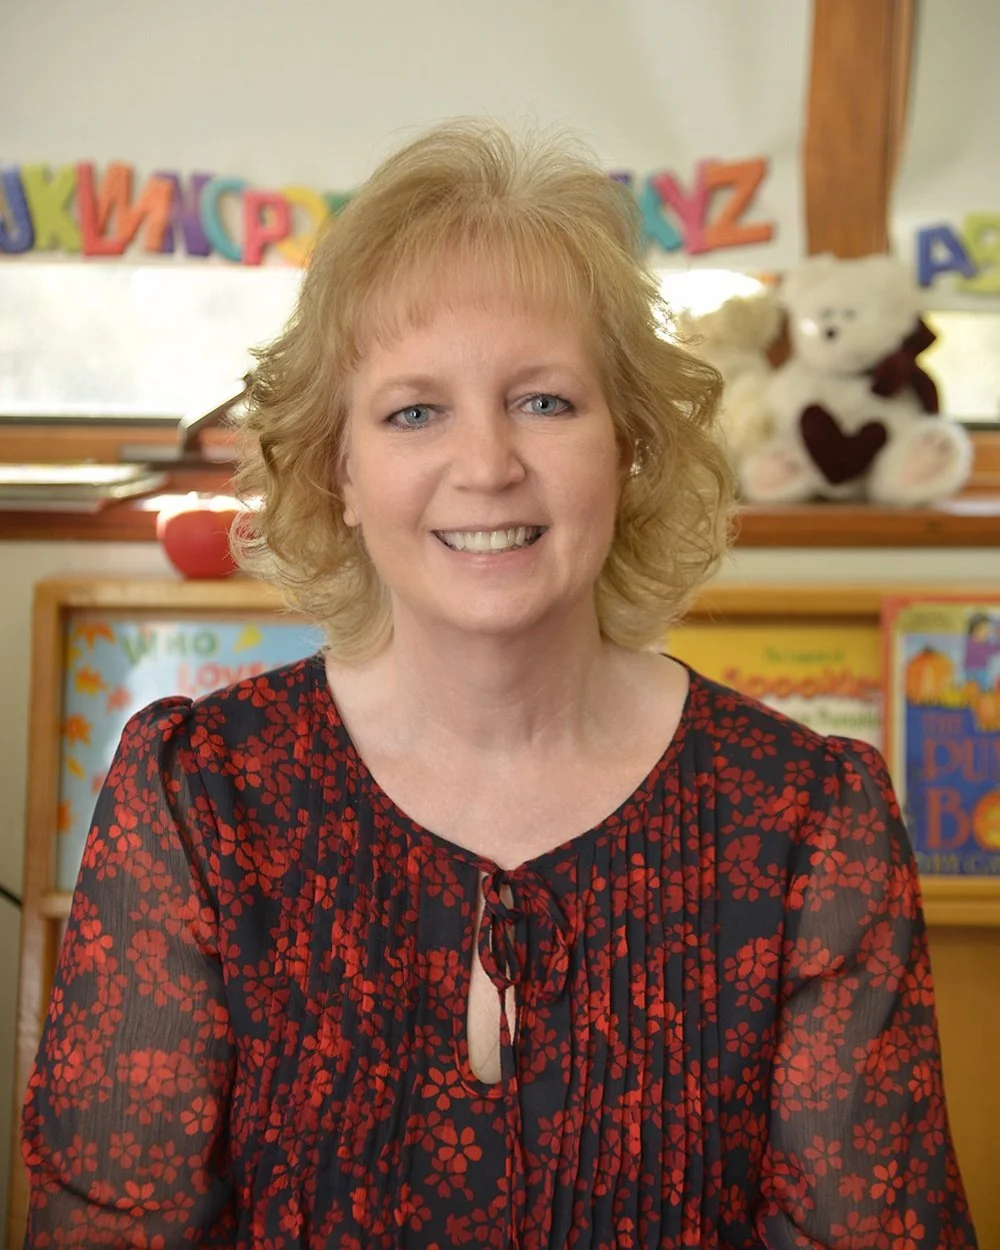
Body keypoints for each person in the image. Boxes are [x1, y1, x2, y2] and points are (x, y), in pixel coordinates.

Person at [22, 122, 977, 1248]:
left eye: (544, 401)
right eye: (413, 411)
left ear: (628, 444)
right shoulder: (199, 795)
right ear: (339, 468)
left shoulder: (810, 821)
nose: (485, 465)